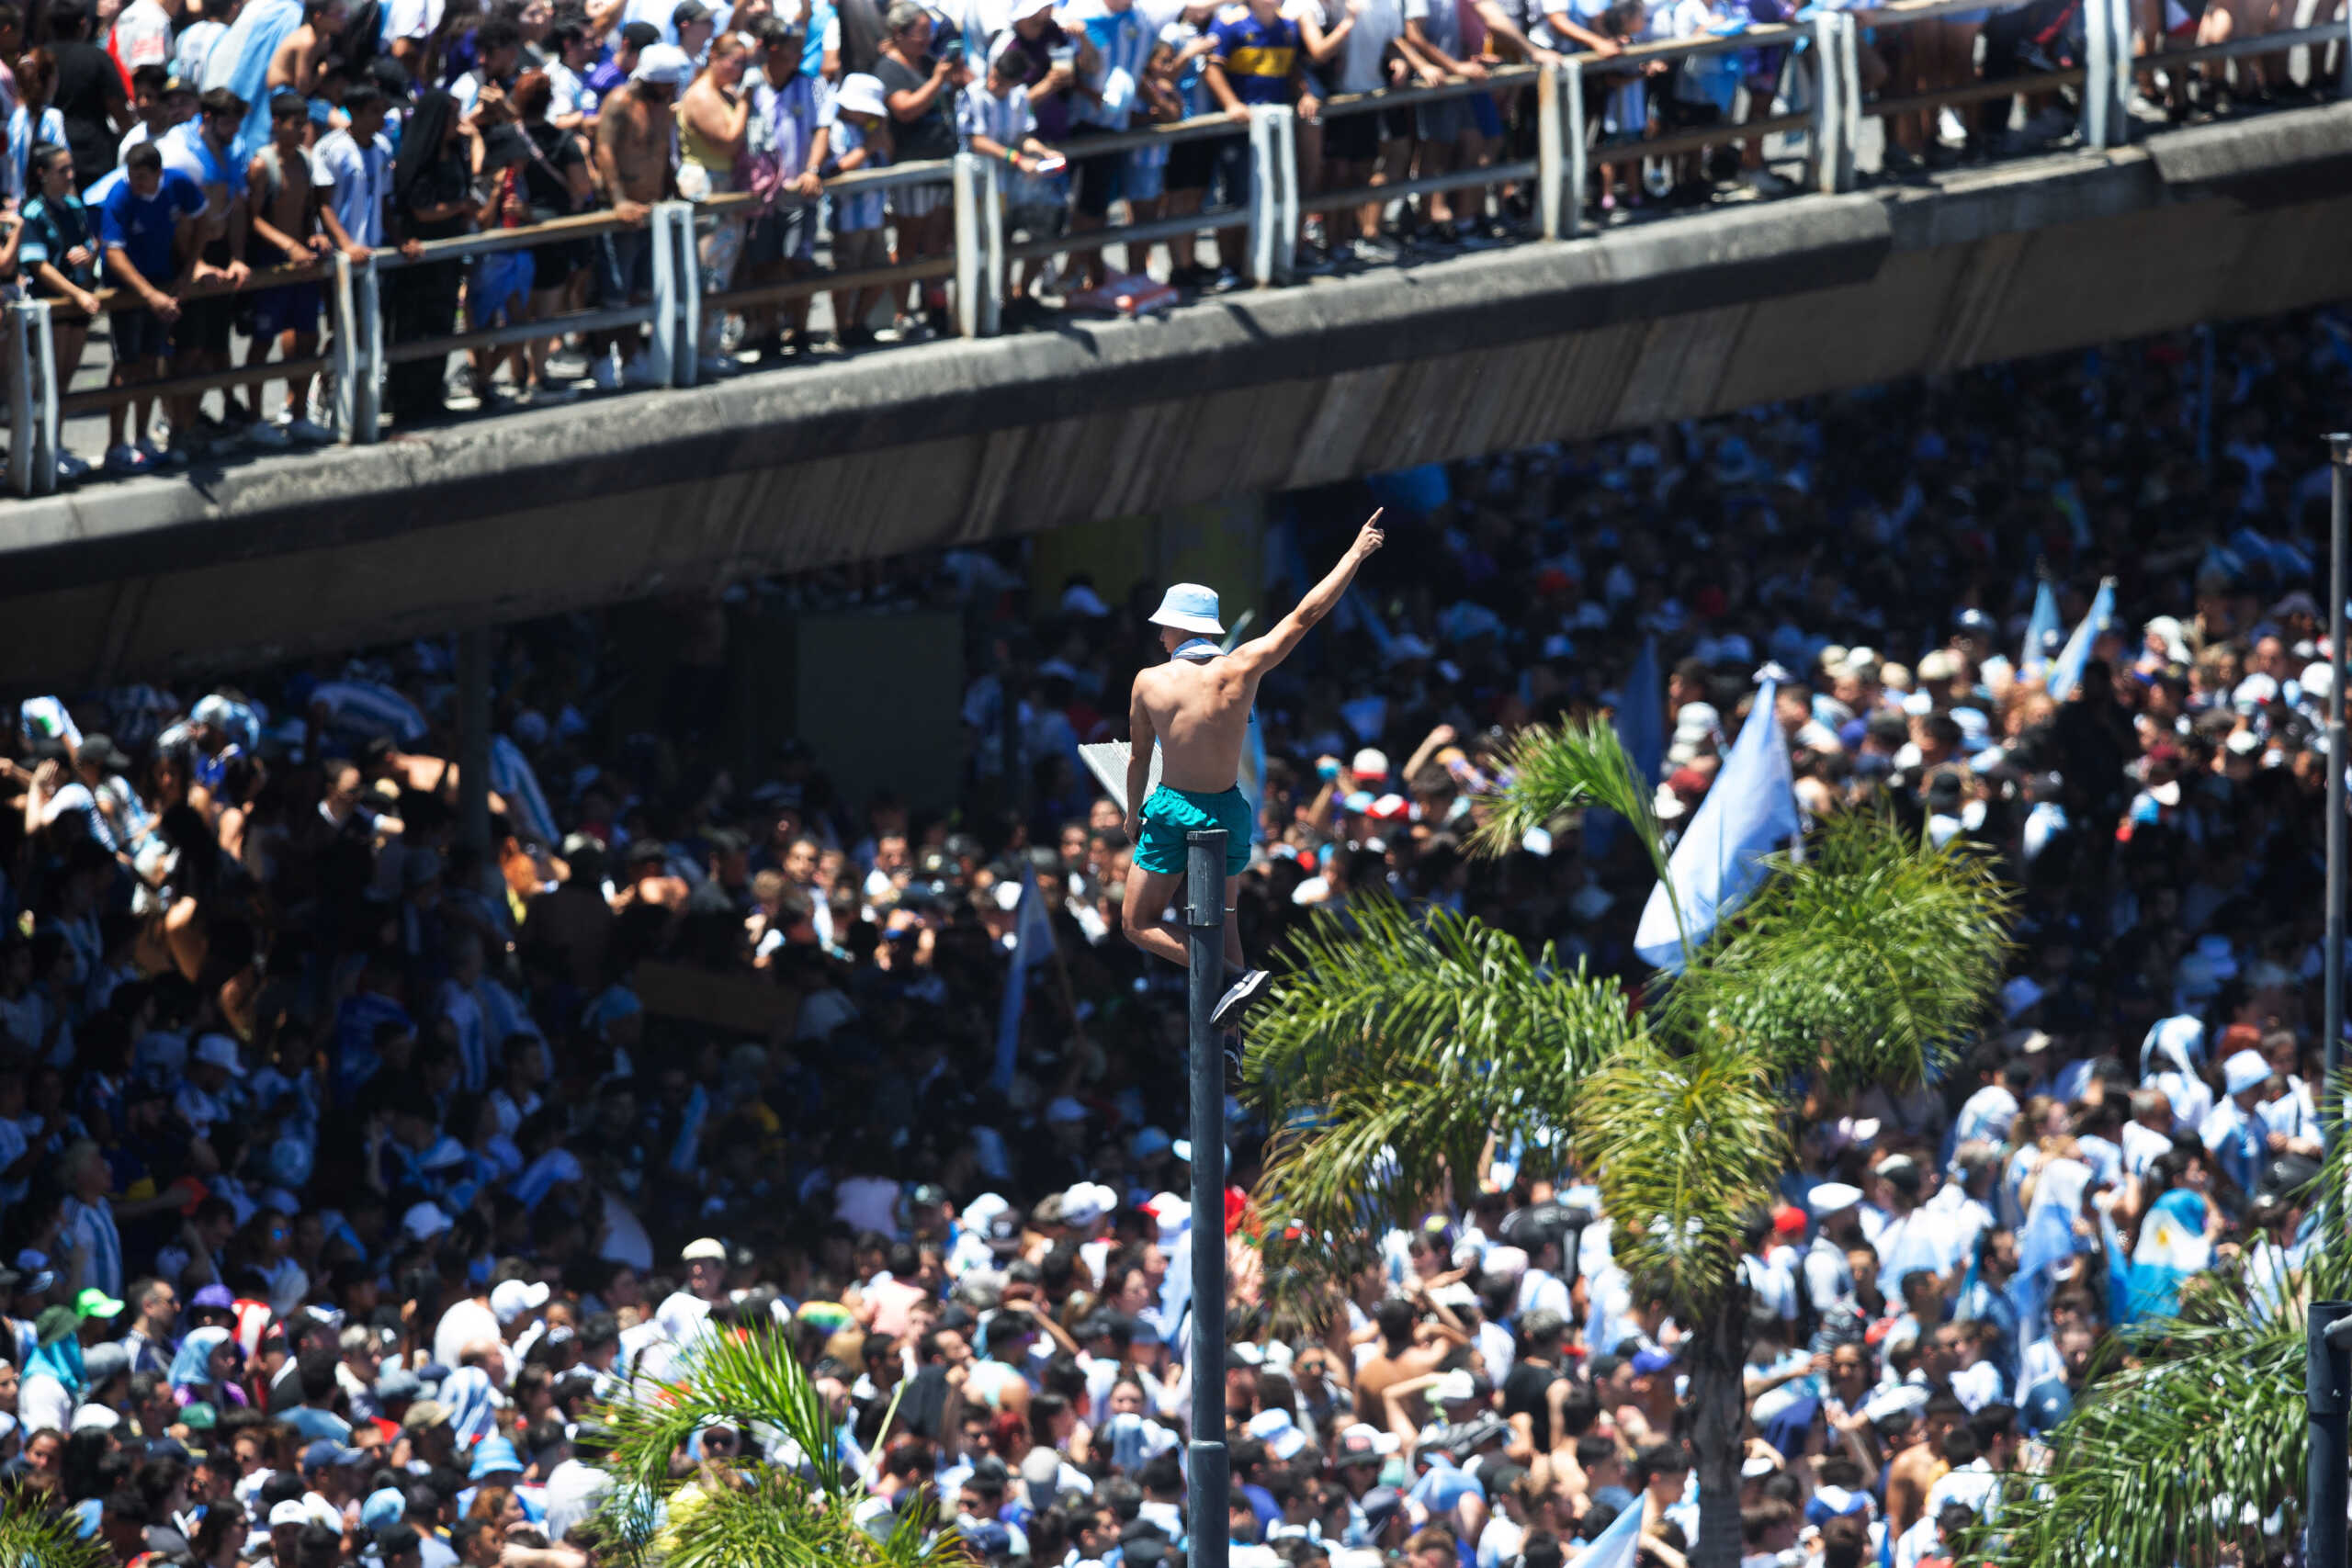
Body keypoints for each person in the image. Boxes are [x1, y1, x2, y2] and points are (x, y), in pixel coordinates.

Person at [1121, 509, 1384, 1032]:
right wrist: (1355, 554)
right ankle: (1236, 1026)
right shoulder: (1243, 666)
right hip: (1229, 807)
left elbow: (1139, 758)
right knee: (1229, 918)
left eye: (1163, 626)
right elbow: (1304, 615)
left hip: (1175, 808)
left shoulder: (1149, 681)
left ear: (1177, 627)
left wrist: (1133, 816)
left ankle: (1226, 973)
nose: (1159, 636)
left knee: (1136, 923)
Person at [238, 89, 334, 445]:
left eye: (304, 125)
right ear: (277, 124)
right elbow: (254, 221)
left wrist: (313, 238)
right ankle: (253, 417)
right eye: (295, 125)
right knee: (263, 343)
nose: (301, 131)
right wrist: (288, 246)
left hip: (302, 267)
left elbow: (308, 211)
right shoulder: (262, 165)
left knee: (306, 337)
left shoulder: (305, 162)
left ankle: (297, 414)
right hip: (271, 266)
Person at [587, 39, 683, 388]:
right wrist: (619, 200)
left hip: (653, 211)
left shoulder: (663, 106)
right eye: (667, 83)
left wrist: (677, 191)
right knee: (614, 291)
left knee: (641, 291)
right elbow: (606, 152)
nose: (672, 89)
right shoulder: (619, 103)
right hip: (624, 213)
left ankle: (631, 355)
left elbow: (661, 154)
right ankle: (601, 357)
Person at [869, 0, 961, 337]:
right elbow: (904, 109)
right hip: (911, 166)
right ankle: (900, 312)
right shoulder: (888, 68)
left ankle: (937, 307)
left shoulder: (929, 62)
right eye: (921, 34)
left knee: (938, 239)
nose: (926, 41)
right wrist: (937, 81)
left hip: (941, 161)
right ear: (899, 34)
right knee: (909, 241)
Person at [383, 86, 474, 419]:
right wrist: (458, 207)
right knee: (411, 327)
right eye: (451, 115)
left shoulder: (455, 153)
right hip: (418, 260)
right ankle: (405, 401)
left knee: (442, 323)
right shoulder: (415, 157)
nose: (457, 122)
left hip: (448, 258)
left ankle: (433, 394)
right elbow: (420, 210)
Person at [17, 141, 100, 479]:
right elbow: (38, 264)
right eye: (62, 170)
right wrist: (76, 295)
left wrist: (90, 254)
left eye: (71, 169)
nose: (70, 175)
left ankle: (57, 443)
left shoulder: (74, 207)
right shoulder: (33, 212)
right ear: (43, 173)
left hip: (79, 302)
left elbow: (92, 243)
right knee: (47, 379)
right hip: (53, 306)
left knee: (65, 379)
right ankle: (41, 448)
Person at [673, 28, 748, 378]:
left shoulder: (721, 93)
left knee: (719, 272)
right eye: (735, 62)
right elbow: (729, 141)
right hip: (706, 184)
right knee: (706, 273)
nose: (740, 70)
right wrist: (745, 103)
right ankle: (701, 350)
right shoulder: (702, 95)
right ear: (715, 59)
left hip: (722, 183)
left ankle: (711, 345)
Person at [822, 68, 888, 348]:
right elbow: (834, 168)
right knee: (846, 273)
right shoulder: (835, 129)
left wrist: (878, 132)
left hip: (874, 214)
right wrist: (867, 148)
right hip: (847, 215)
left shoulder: (868, 129)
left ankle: (859, 322)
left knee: (879, 270)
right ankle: (841, 328)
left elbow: (888, 155)